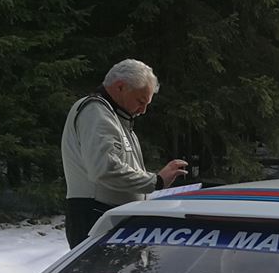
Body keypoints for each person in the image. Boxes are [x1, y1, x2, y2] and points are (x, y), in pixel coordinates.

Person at [61, 59, 188, 247]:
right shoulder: (96, 112)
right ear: (120, 87)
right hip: (95, 217)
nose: (143, 110)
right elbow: (104, 169)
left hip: (110, 218)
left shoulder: (117, 118)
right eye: (140, 101)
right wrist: (156, 181)